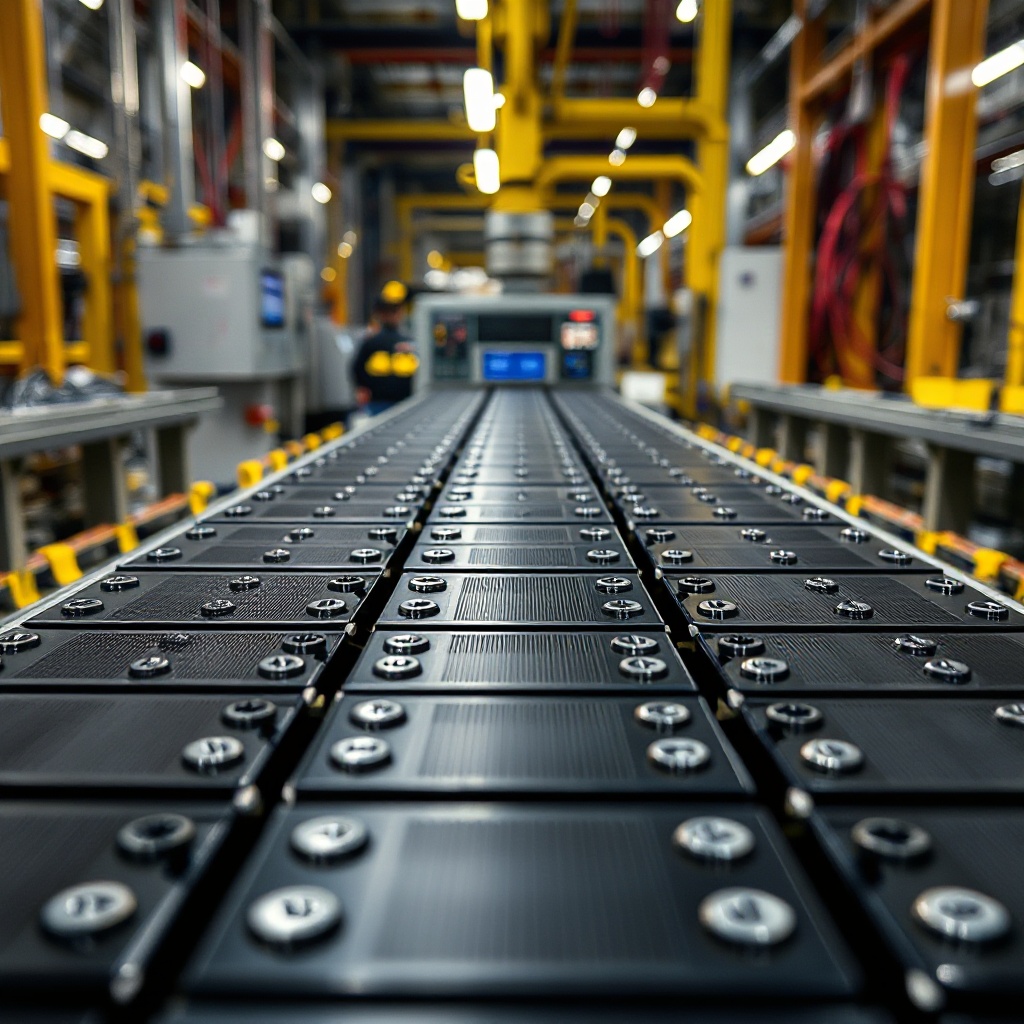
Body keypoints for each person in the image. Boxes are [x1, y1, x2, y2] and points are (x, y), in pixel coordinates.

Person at [351, 281, 419, 416]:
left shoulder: (408, 341)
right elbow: (357, 368)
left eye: (395, 311)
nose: (394, 315)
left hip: (406, 401)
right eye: (389, 311)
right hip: (380, 403)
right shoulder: (372, 342)